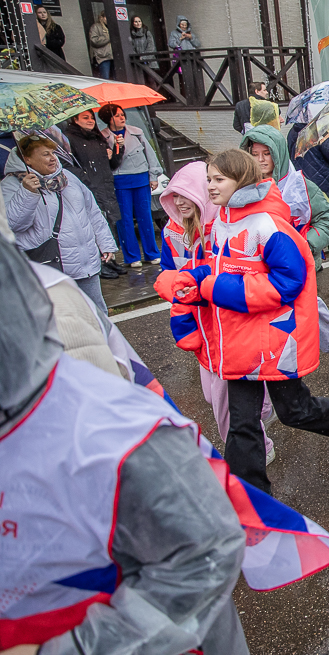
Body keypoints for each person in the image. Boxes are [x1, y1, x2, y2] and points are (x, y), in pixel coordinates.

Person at [0, 238, 251, 654]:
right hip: (219, 345)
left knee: (264, 418)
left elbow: (205, 551)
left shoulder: (109, 427)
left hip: (252, 345)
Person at [169, 149, 329, 495]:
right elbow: (223, 269)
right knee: (242, 424)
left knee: (295, 410)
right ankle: (251, 503)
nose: (210, 186)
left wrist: (215, 286)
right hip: (238, 341)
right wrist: (193, 279)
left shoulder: (269, 224)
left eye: (219, 179)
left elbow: (288, 282)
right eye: (208, 179)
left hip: (272, 340)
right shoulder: (223, 219)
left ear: (241, 180)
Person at [152, 161, 277, 465]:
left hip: (227, 323)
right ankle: (258, 415)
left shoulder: (221, 229)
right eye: (174, 195)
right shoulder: (172, 231)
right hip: (198, 324)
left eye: (185, 194)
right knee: (213, 395)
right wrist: (174, 286)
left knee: (224, 400)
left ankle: (253, 451)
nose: (180, 202)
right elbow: (169, 270)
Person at [241, 125, 329, 380]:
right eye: (254, 153)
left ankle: (295, 373)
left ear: (277, 154)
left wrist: (304, 245)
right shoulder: (242, 188)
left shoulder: (299, 185)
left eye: (266, 154)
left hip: (295, 266)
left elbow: (327, 220)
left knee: (304, 310)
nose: (260, 160)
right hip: (258, 267)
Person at [2, 133, 117, 315]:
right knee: (65, 319)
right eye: (45, 154)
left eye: (53, 153)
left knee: (98, 315)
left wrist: (105, 243)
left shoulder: (67, 178)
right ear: (27, 159)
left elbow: (91, 211)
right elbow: (14, 225)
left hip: (85, 262)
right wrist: (27, 193)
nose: (53, 158)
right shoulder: (11, 185)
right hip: (50, 266)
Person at [99, 103, 162, 267]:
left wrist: (153, 175)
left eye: (122, 114)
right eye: (117, 115)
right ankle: (132, 257)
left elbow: (150, 153)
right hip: (119, 180)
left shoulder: (137, 132)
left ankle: (152, 253)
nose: (122, 118)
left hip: (140, 178)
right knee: (124, 219)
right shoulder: (102, 137)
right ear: (108, 119)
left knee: (145, 217)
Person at [64, 109, 125, 278]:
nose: (90, 120)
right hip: (89, 187)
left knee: (109, 221)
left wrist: (118, 148)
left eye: (92, 117)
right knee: (94, 223)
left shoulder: (98, 138)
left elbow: (113, 164)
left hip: (105, 185)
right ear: (75, 120)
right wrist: (86, 179)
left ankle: (109, 259)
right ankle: (99, 261)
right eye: (85, 117)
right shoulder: (70, 139)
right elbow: (69, 165)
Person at [89, 12, 113, 79]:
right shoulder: (95, 27)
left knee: (117, 80)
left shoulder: (112, 26)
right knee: (105, 80)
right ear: (101, 17)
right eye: (106, 17)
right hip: (103, 57)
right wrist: (108, 38)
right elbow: (94, 41)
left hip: (114, 57)